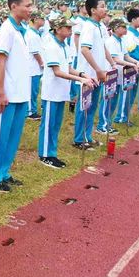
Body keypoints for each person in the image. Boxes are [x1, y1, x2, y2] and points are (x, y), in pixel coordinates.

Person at [0, 0, 33, 193]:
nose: (31, 9)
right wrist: (1, 92)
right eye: (27, 5)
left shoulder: (22, 29)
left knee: (13, 136)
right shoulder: (6, 30)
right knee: (0, 136)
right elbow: (0, 62)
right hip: (7, 94)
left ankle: (3, 172)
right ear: (14, 6)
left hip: (21, 93)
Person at [39, 16, 95, 168]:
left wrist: (82, 75)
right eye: (68, 28)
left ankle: (52, 153)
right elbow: (57, 71)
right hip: (52, 91)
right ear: (58, 29)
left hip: (60, 90)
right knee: (49, 123)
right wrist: (81, 80)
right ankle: (45, 154)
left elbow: (68, 68)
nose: (71, 31)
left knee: (56, 124)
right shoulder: (51, 45)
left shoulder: (65, 45)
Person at [74, 0, 115, 150]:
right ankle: (79, 139)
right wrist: (98, 70)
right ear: (93, 10)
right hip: (89, 74)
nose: (105, 9)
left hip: (99, 73)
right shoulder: (88, 27)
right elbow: (84, 49)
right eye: (102, 6)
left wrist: (111, 63)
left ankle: (87, 136)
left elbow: (103, 47)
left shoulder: (99, 26)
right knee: (84, 107)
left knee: (92, 107)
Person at [99, 18, 139, 132]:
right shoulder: (111, 41)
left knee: (114, 100)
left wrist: (136, 62)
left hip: (119, 75)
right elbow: (115, 59)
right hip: (111, 74)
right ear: (116, 28)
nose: (125, 29)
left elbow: (126, 56)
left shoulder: (121, 40)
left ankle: (108, 123)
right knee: (107, 100)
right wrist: (131, 65)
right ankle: (102, 125)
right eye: (123, 27)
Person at [26, 11, 45, 120]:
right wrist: (41, 63)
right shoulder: (31, 34)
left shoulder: (36, 33)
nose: (43, 21)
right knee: (31, 90)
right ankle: (30, 111)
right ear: (35, 19)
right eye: (41, 18)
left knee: (34, 90)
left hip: (35, 68)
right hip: (32, 67)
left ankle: (32, 109)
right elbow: (35, 52)